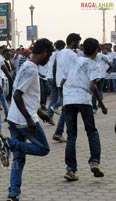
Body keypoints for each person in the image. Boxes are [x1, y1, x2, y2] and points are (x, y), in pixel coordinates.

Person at [0, 38, 54, 201]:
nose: (48, 59)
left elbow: (26, 94)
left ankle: (13, 193)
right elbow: (17, 94)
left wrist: (41, 113)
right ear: (44, 52)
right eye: (49, 55)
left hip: (15, 117)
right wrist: (29, 119)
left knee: (19, 157)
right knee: (43, 149)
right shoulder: (31, 69)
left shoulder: (26, 66)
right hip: (23, 119)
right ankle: (8, 143)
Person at [63, 38, 108, 181]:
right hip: (83, 99)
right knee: (91, 131)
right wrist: (101, 104)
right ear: (97, 50)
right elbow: (92, 86)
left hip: (68, 99)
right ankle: (94, 161)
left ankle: (70, 169)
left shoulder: (74, 61)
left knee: (71, 135)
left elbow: (64, 80)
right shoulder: (94, 65)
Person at [51, 33, 81, 143]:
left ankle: (59, 132)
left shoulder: (60, 53)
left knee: (65, 108)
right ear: (73, 42)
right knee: (67, 109)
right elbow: (75, 71)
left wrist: (55, 79)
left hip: (60, 82)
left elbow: (55, 67)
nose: (78, 44)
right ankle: (59, 132)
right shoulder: (72, 55)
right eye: (77, 42)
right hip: (69, 84)